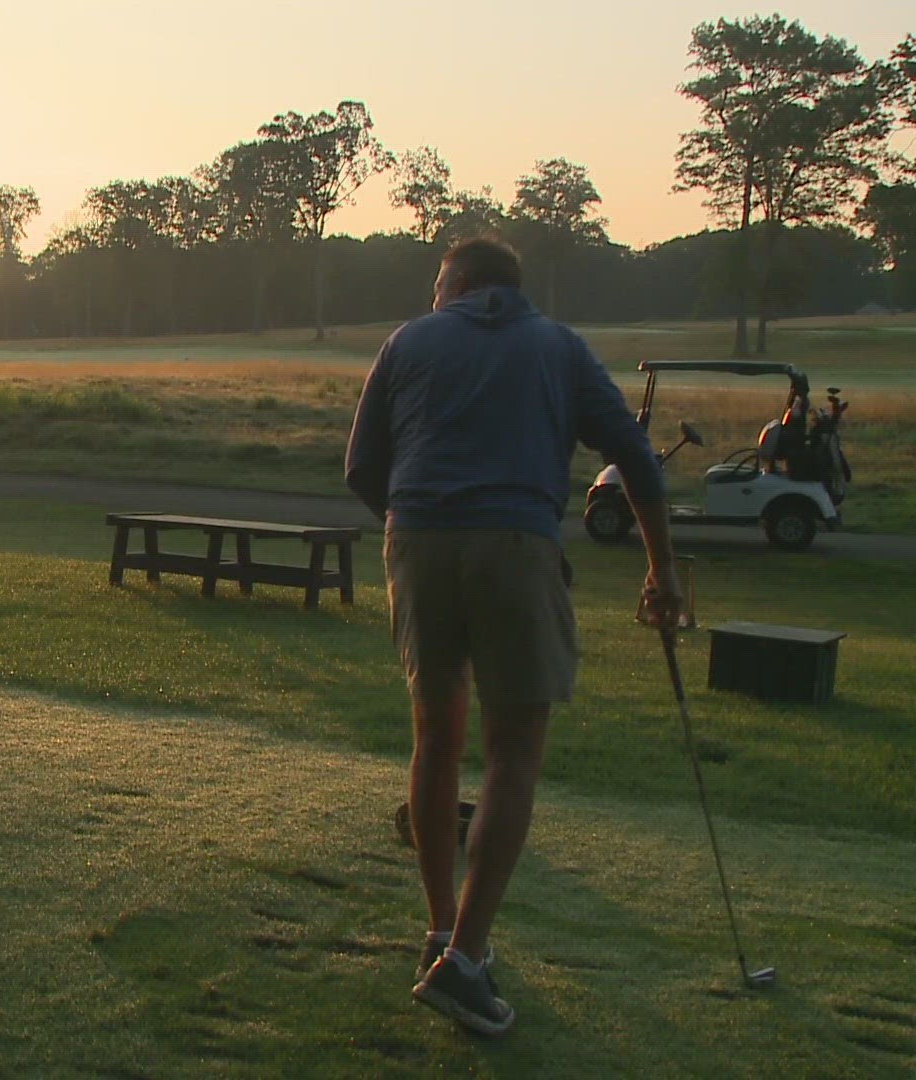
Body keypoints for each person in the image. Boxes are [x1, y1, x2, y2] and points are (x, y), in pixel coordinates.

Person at [343, 237, 681, 1037]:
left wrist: (412, 525)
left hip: (420, 541)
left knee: (435, 740)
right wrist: (662, 571)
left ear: (456, 283)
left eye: (438, 286)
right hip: (518, 545)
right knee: (513, 752)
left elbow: (363, 467)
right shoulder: (559, 347)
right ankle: (464, 957)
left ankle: (440, 930)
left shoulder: (410, 340)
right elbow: (633, 452)